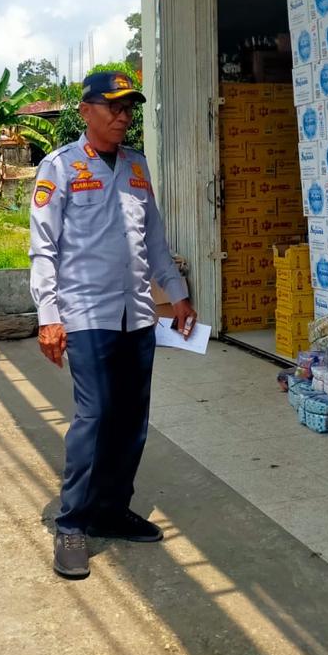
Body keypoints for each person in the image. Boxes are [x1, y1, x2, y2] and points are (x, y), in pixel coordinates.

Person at [29, 70, 196, 580]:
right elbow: (43, 250)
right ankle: (73, 523)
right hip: (86, 316)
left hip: (138, 316)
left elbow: (156, 241)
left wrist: (180, 296)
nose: (123, 116)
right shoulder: (58, 168)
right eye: (113, 106)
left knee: (131, 421)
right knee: (94, 417)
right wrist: (49, 318)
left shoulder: (138, 168)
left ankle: (111, 510)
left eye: (129, 109)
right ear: (85, 110)